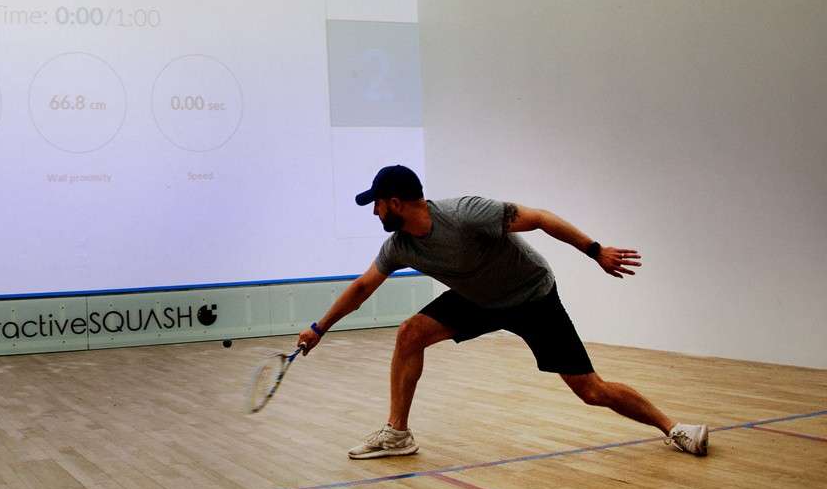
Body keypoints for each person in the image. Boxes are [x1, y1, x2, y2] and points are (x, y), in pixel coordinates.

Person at [297, 165, 708, 459]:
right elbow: (362, 287)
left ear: (396, 202)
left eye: (377, 205)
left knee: (591, 390)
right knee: (410, 333)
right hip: (478, 299)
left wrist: (596, 251)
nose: (374, 213)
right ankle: (397, 435)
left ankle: (674, 430)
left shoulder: (464, 214)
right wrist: (319, 328)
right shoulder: (401, 245)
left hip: (532, 297)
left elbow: (541, 219)